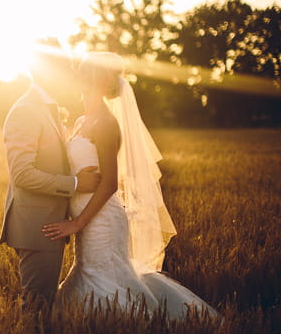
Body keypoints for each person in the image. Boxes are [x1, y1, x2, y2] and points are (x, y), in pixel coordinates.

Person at [42, 52, 218, 319]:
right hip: (83, 215)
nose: (78, 77)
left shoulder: (105, 124)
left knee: (102, 276)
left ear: (98, 80)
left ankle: (138, 320)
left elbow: (110, 183)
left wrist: (77, 224)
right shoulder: (80, 122)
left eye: (84, 72)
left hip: (101, 219)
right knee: (88, 272)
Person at [0, 39, 101, 313]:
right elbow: (22, 174)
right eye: (65, 66)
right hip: (38, 227)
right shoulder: (25, 111)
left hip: (49, 225)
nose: (70, 72)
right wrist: (77, 184)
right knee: (36, 307)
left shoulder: (46, 108)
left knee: (44, 304)